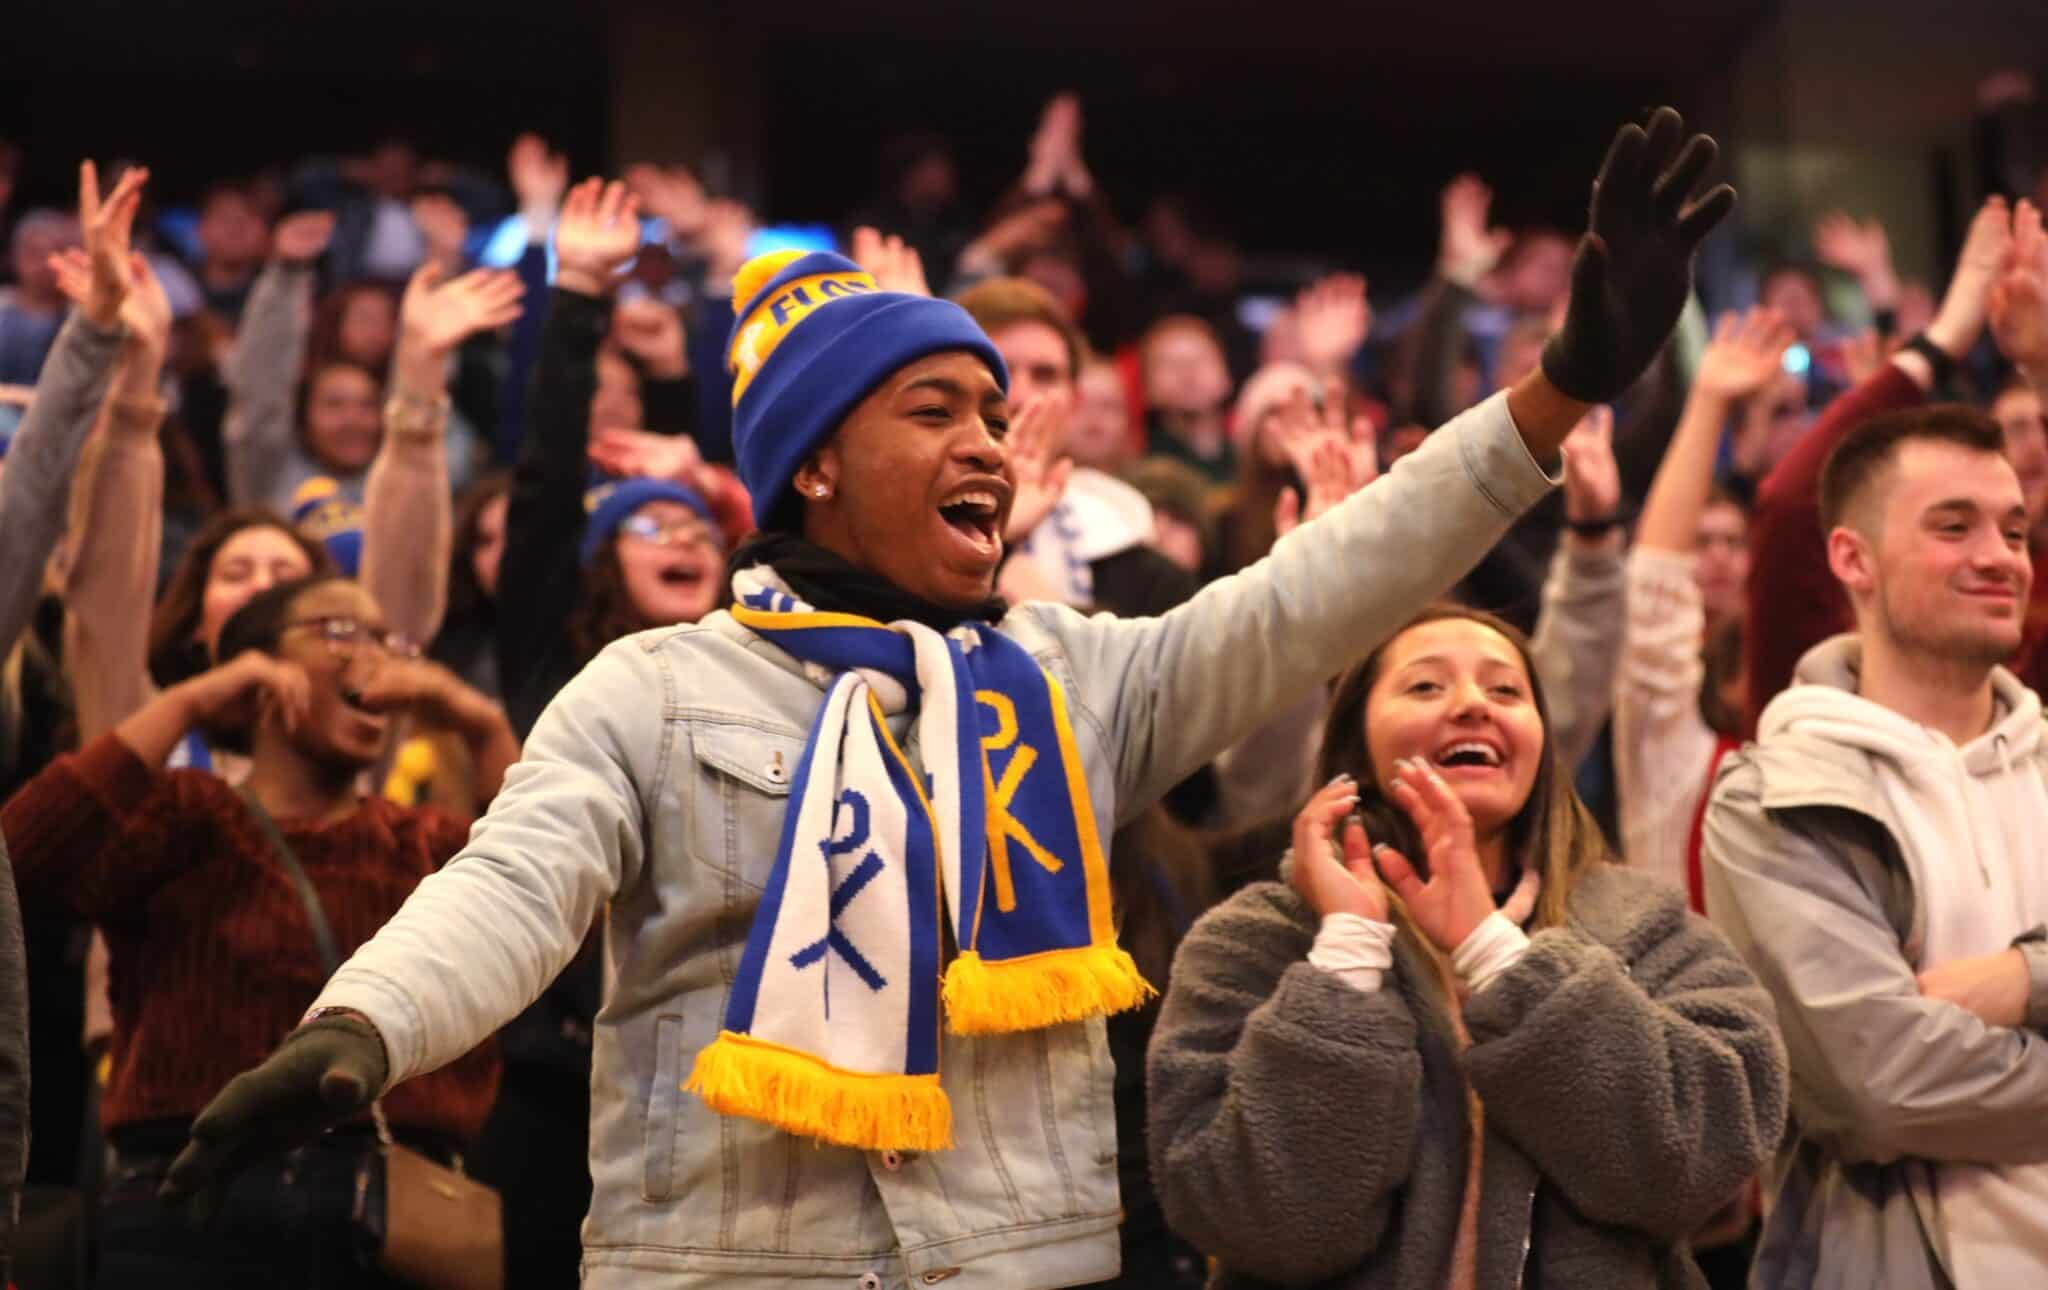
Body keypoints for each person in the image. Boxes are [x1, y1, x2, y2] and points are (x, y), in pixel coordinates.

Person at [161, 110, 1735, 1289]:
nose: (992, 441)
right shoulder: (654, 685)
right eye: (938, 410)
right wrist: (359, 1026)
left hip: (1027, 1262)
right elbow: (508, 889)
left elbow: (1324, 582)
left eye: (999, 406)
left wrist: (1558, 393)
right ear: (815, 464)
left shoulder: (1072, 679)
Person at [1147, 605, 1787, 1288]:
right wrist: (1348, 953)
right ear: (1357, 742)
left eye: (1506, 690)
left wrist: (1493, 950)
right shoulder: (1259, 940)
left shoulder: (1651, 929)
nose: (1473, 705)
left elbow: (1695, 1169)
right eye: (1425, 686)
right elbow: (1259, 1220)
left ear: (1541, 744)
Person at [1, 574, 513, 1287]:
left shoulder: (420, 841)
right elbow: (21, 856)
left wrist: (480, 722)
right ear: (258, 665)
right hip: (192, 1209)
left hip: (397, 1217)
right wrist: (190, 700)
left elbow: (546, 919)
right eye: (337, 630)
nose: (370, 657)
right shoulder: (188, 815)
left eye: (383, 639)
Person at [1703, 402, 2048, 1288]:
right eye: (1953, 526)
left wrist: (2026, 980)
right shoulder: (1772, 798)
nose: (2000, 556)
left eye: (2013, 530)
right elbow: (1879, 1091)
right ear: (1853, 559)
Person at [1617, 305, 1794, 906]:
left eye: (1733, 542)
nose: (1717, 558)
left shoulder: (1806, 746)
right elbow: (1655, 587)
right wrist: (1709, 399)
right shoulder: (1668, 735)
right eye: (1702, 543)